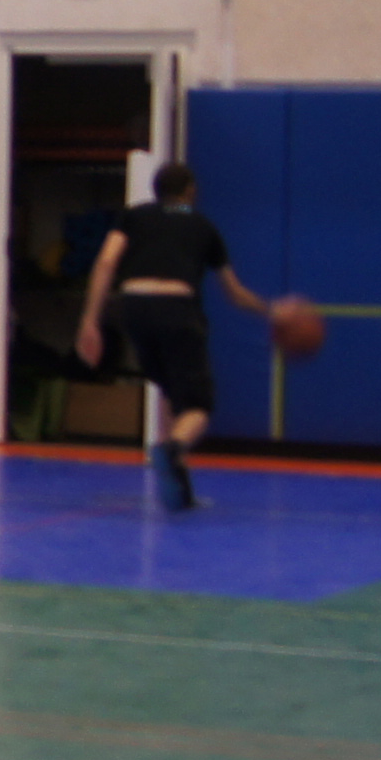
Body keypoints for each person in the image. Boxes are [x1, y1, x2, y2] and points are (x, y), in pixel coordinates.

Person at [76, 160, 273, 512]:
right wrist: (271, 310)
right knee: (197, 407)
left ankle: (178, 488)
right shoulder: (202, 225)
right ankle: (171, 449)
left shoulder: (133, 216)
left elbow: (106, 263)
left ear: (155, 191)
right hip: (176, 308)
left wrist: (91, 320)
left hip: (133, 307)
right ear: (190, 191)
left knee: (169, 389)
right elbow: (235, 293)